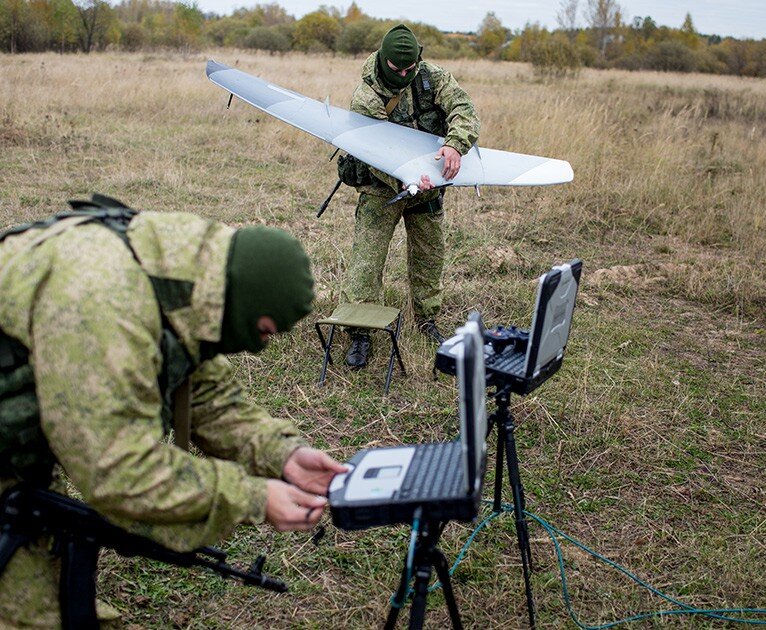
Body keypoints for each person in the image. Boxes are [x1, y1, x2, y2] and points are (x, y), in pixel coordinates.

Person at [0, 195, 347, 627]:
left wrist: (284, 455)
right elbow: (117, 469)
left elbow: (203, 389)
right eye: (261, 331)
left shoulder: (189, 274)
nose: (259, 346)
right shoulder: (102, 300)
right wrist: (252, 496)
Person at [338, 23, 480, 368]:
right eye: (395, 69)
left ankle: (427, 320)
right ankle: (360, 333)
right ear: (383, 60)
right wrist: (404, 178)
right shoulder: (366, 97)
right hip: (381, 187)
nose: (403, 74)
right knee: (366, 263)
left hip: (428, 185)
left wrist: (454, 146)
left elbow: (464, 109)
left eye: (409, 68)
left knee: (430, 257)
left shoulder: (434, 77)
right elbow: (373, 151)